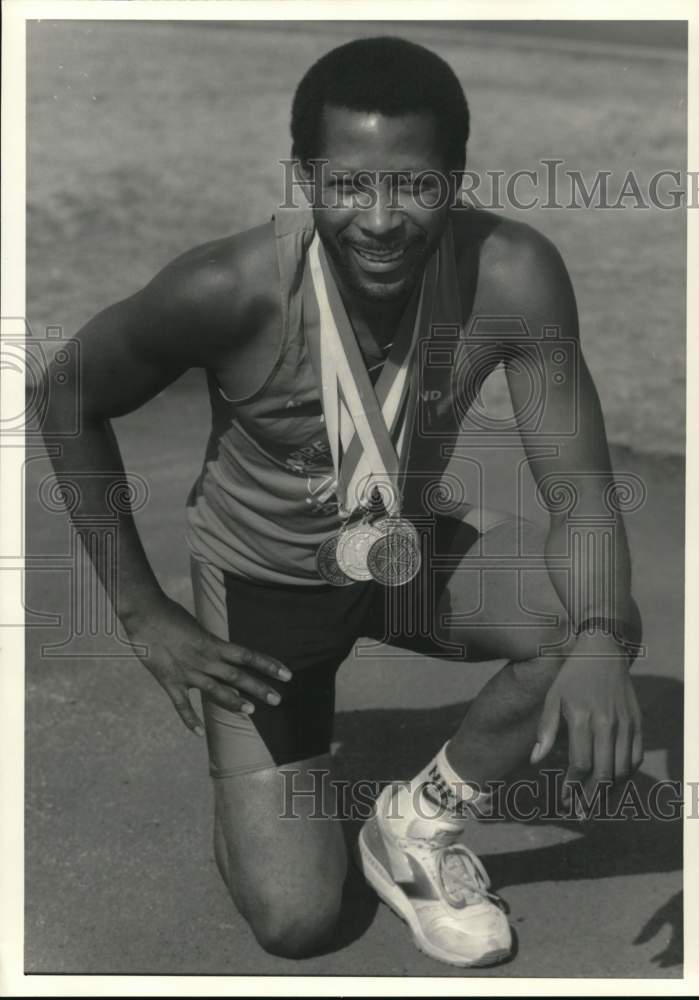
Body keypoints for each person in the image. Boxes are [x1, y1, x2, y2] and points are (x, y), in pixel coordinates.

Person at [42, 36, 643, 968]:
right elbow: (66, 394)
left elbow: (580, 492)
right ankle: (272, 784)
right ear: (301, 177)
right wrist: (141, 611)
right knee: (296, 919)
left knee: (592, 606)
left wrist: (601, 633)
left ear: (453, 179)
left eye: (412, 186)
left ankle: (413, 825)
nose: (379, 219)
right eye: (346, 185)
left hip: (401, 558)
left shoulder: (511, 274)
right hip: (263, 594)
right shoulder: (227, 289)